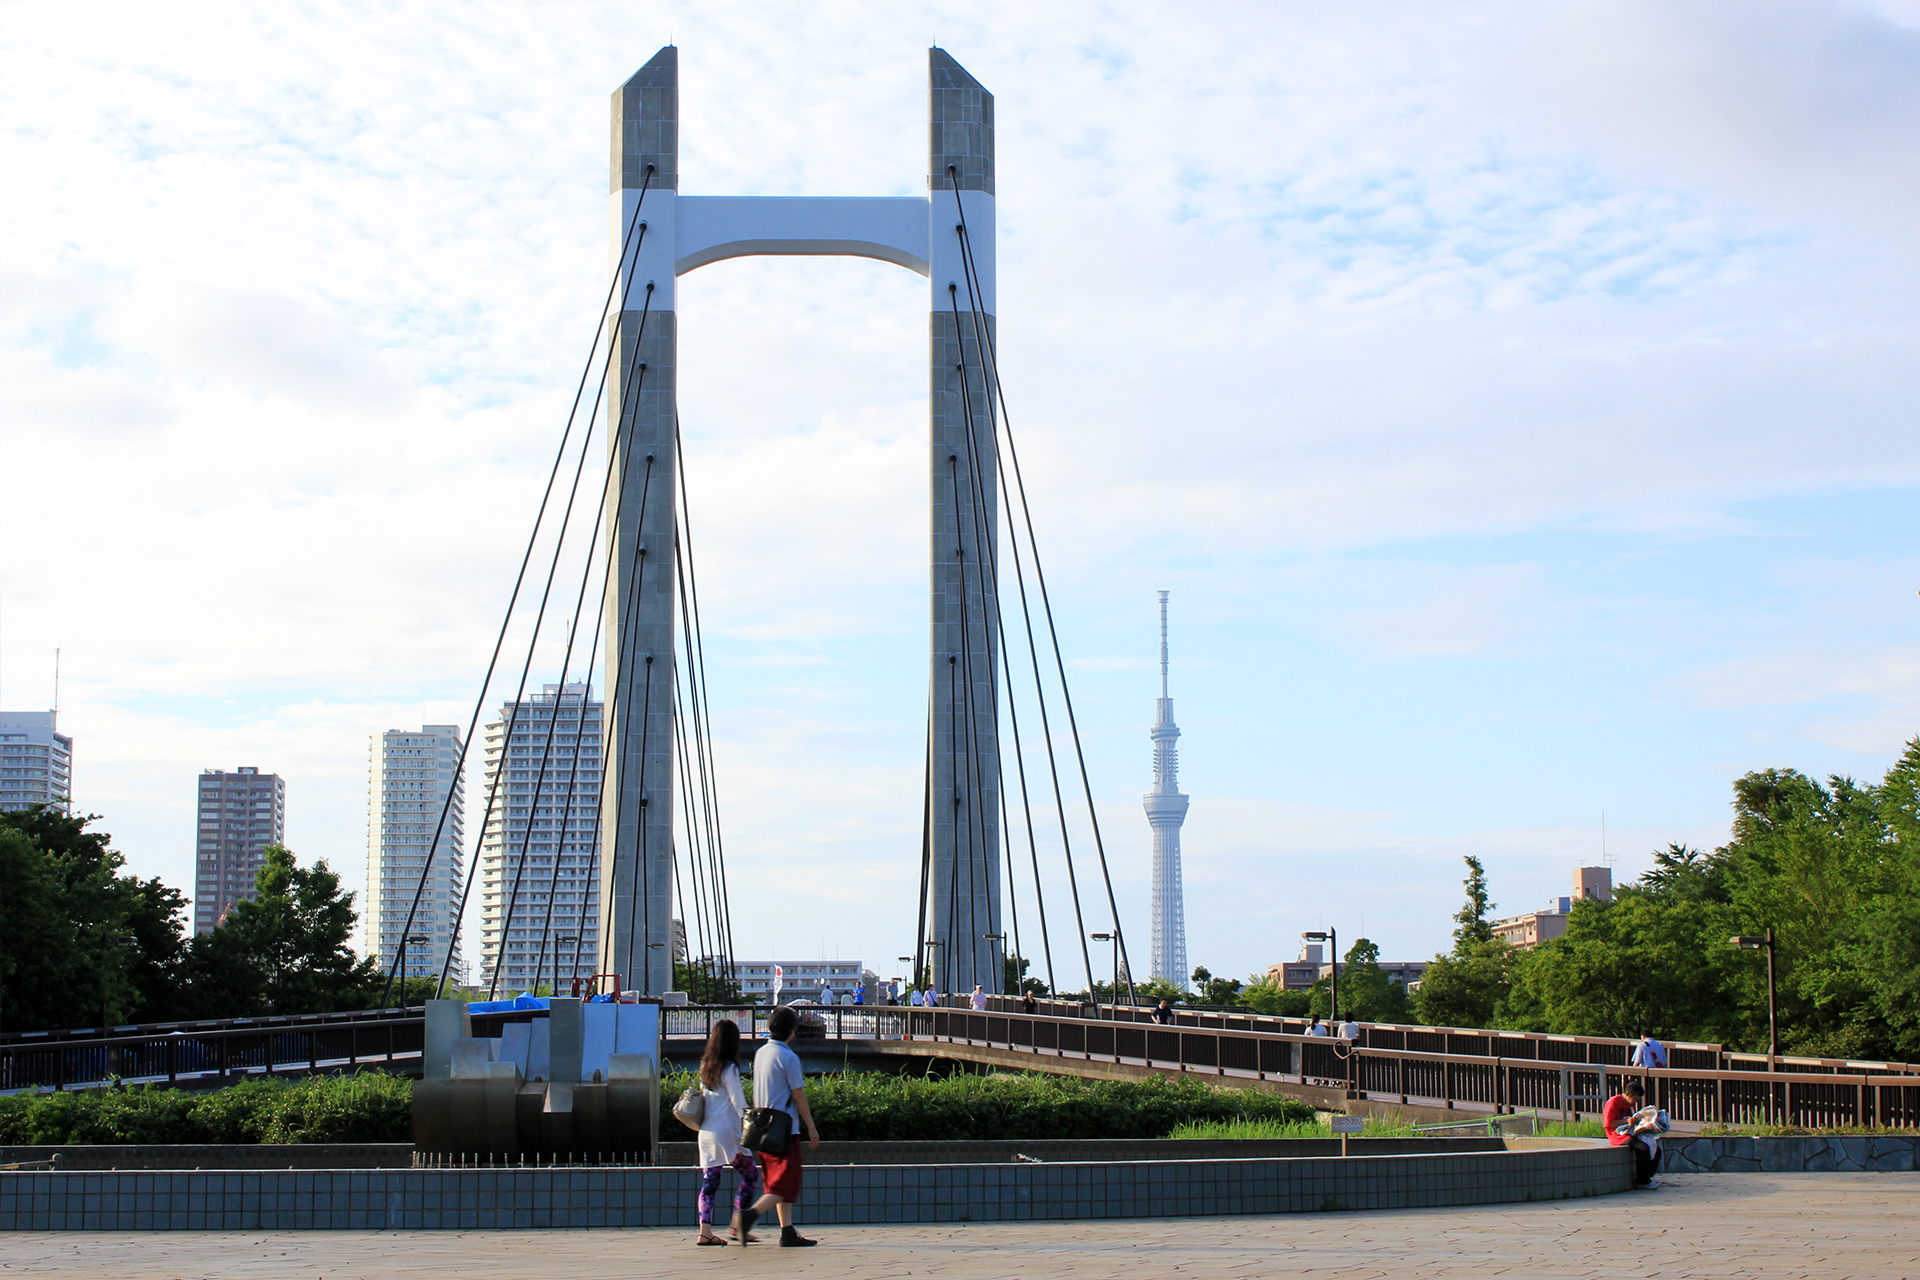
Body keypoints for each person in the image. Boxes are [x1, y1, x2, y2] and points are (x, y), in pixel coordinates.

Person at [749, 1005, 822, 1246]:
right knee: (786, 1183)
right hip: (784, 1129)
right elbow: (798, 1095)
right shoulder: (788, 1057)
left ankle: (787, 1231)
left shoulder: (761, 1053)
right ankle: (747, 1217)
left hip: (762, 1128)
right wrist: (811, 1127)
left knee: (775, 1182)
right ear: (792, 1030)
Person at [692, 1019, 761, 1246]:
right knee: (750, 1176)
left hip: (707, 1132)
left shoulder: (706, 1066)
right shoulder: (730, 1068)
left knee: (710, 1182)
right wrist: (753, 1121)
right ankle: (736, 1224)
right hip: (728, 1133)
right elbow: (739, 1103)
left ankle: (705, 1231)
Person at [1602, 1079, 1661, 1188]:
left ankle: (1649, 1175)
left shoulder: (1630, 1104)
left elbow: (1634, 1119)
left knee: (1656, 1149)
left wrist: (1646, 1123)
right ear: (1628, 1094)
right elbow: (1608, 1123)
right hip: (1618, 1135)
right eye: (1634, 1099)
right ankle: (1642, 1181)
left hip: (1631, 1131)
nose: (1635, 1102)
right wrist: (1626, 1121)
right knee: (1643, 1149)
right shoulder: (1613, 1102)